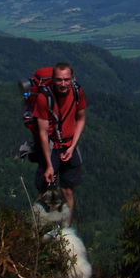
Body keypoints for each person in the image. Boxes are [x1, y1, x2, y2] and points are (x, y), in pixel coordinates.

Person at [34, 62, 87, 225]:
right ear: (53, 79)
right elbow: (42, 132)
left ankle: (66, 230)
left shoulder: (77, 92)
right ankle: (38, 228)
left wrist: (72, 147)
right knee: (44, 191)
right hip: (51, 147)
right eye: (59, 80)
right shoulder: (44, 98)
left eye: (66, 80)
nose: (63, 84)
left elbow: (81, 118)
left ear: (72, 79)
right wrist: (49, 164)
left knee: (67, 191)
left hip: (69, 145)